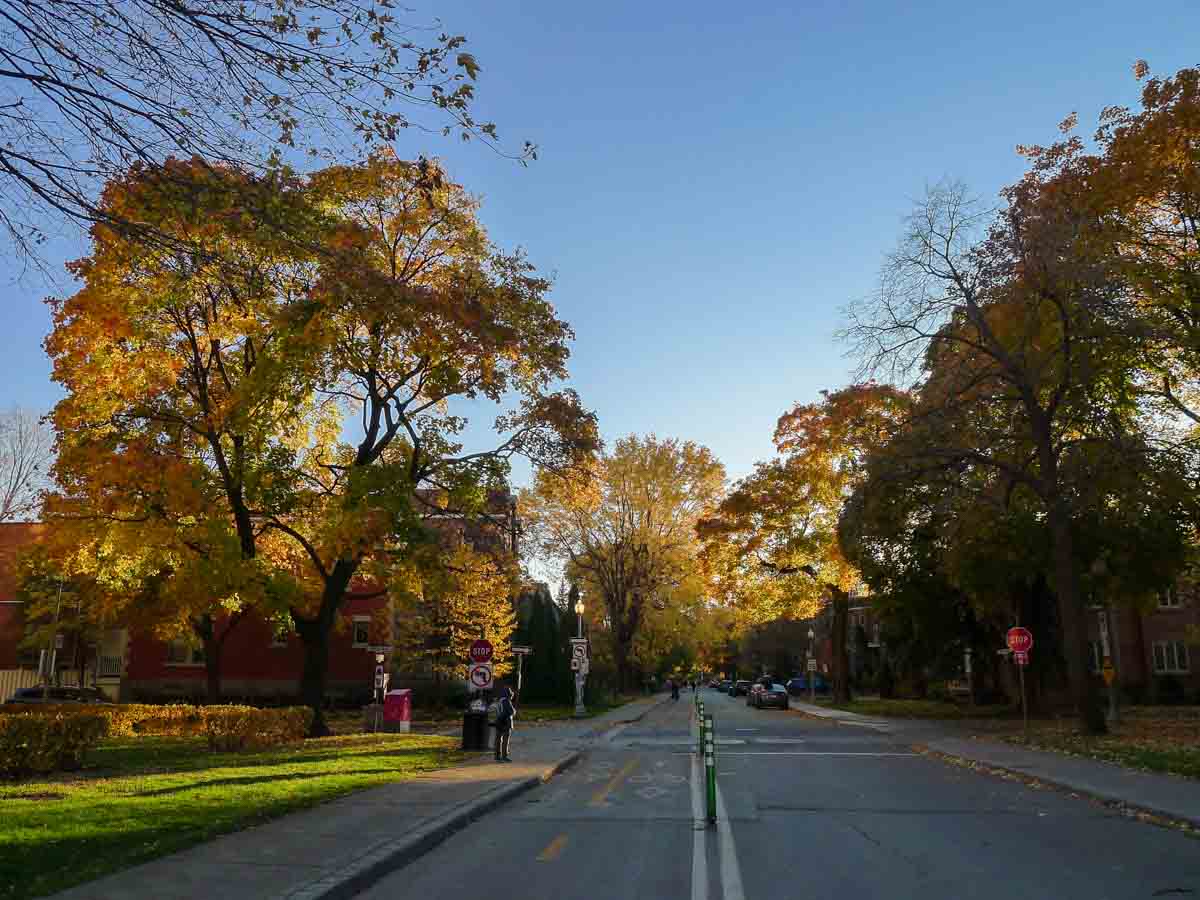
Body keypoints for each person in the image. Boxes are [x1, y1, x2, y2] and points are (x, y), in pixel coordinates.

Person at [494, 686, 516, 762]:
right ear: (509, 695)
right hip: (506, 723)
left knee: (498, 740)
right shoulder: (506, 701)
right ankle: (504, 756)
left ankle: (497, 756)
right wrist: (513, 711)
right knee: (505, 740)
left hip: (498, 722)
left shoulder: (498, 701)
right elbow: (511, 712)